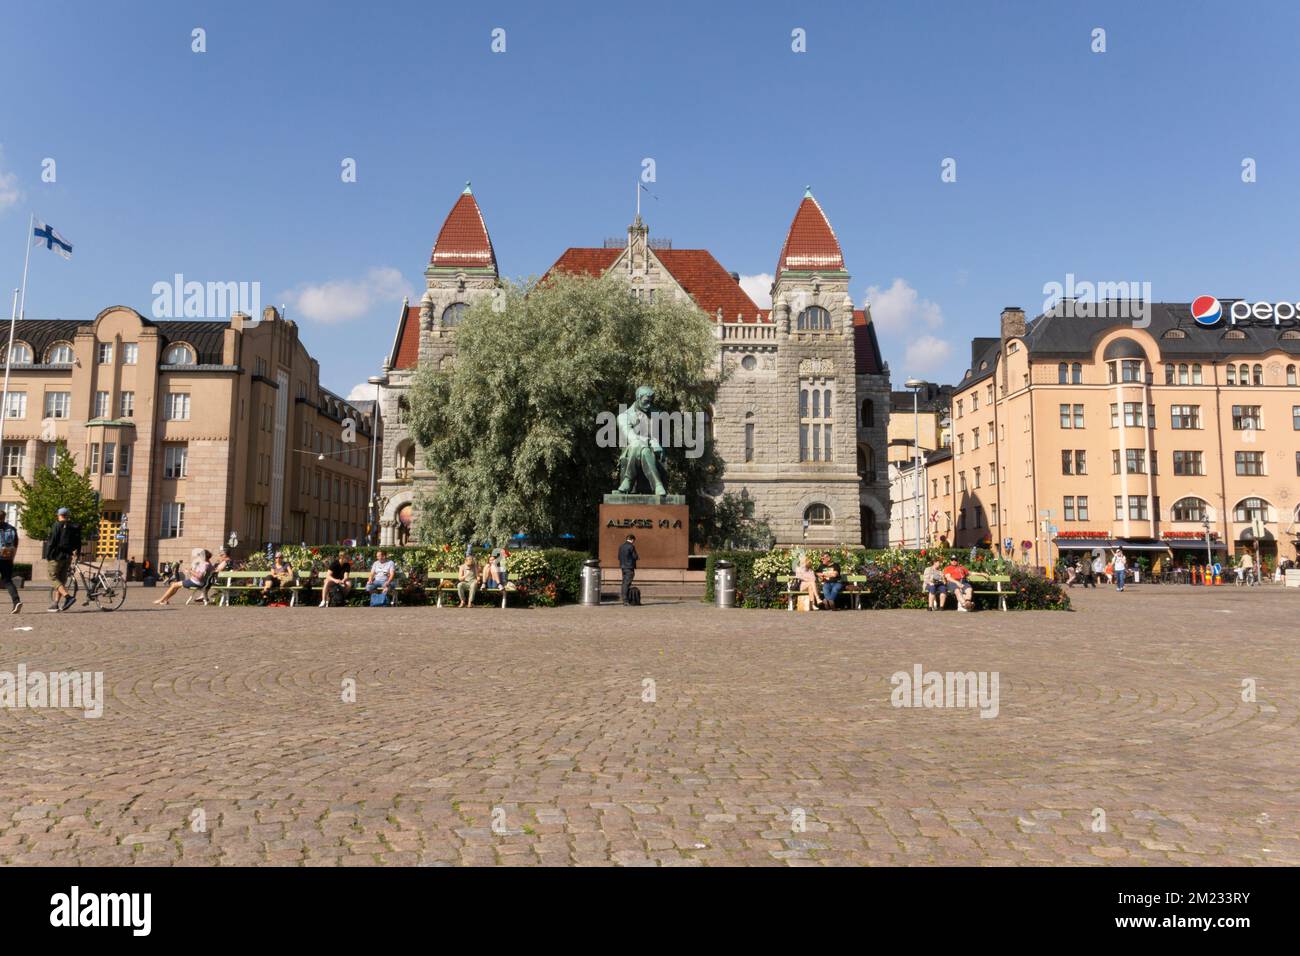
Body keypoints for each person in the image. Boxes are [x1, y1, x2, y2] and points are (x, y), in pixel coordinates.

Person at [43, 506, 81, 612]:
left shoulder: (57, 525)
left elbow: (52, 541)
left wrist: (48, 555)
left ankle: (68, 597)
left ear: (59, 515)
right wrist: (77, 552)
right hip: (67, 557)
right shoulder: (73, 526)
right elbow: (78, 542)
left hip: (56, 556)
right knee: (61, 579)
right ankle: (56, 603)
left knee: (53, 577)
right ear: (68, 515)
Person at [0, 511, 21, 614]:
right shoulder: (12, 529)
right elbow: (15, 545)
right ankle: (16, 601)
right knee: (8, 581)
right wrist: (12, 558)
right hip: (7, 557)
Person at [618, 534, 638, 605]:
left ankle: (624, 599)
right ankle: (625, 600)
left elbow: (619, 557)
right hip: (629, 567)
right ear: (632, 540)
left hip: (623, 567)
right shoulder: (631, 546)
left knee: (624, 583)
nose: (633, 542)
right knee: (626, 584)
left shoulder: (621, 546)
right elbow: (635, 556)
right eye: (633, 541)